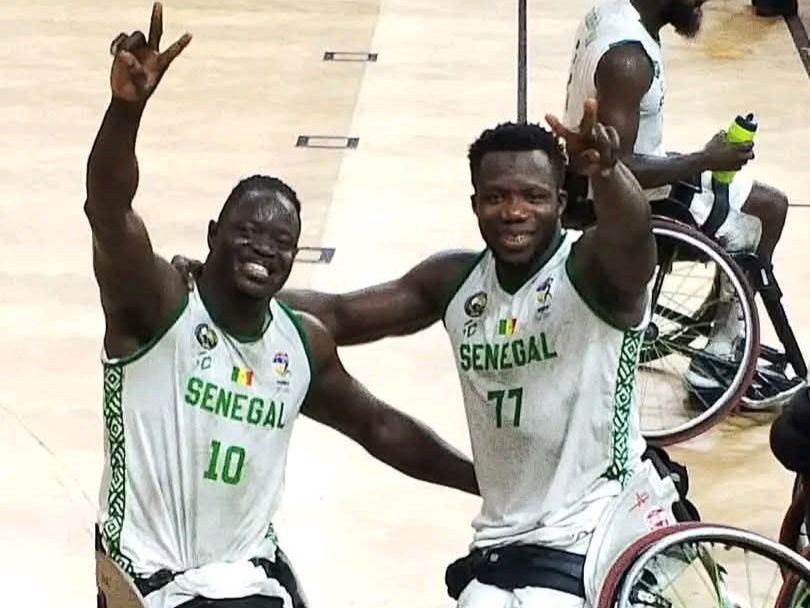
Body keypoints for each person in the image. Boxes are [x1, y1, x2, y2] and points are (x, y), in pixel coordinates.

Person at [177, 99, 708, 604]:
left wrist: (611, 174)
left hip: (602, 519)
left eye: (533, 196)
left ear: (561, 203)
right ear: (475, 202)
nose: (514, 211)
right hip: (510, 535)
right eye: (496, 197)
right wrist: (217, 286)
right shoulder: (455, 281)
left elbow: (635, 247)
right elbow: (337, 315)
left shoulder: (591, 271)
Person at [86, 5, 478, 608]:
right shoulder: (157, 308)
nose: (263, 250)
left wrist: (484, 480)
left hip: (247, 574)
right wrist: (126, 110)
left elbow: (379, 426)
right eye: (248, 233)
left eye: (281, 243)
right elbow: (110, 210)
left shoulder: (299, 345)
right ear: (214, 233)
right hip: (149, 575)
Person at [561, 0, 803, 408]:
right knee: (766, 210)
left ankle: (723, 325)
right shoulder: (628, 60)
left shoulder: (611, 13)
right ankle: (719, 358)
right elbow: (614, 167)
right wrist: (705, 159)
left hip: (596, 189)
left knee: (750, 201)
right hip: (619, 206)